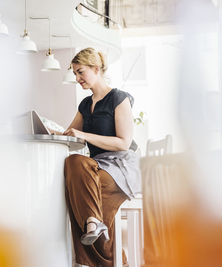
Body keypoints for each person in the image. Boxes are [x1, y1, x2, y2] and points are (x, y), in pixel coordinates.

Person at [62, 47, 141, 267]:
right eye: (75, 73)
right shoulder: (85, 105)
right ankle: (96, 226)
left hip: (121, 166)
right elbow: (72, 135)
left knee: (82, 198)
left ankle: (96, 232)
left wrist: (84, 134)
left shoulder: (118, 98)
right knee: (74, 163)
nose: (77, 78)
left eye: (80, 72)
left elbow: (124, 143)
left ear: (96, 69)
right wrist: (53, 134)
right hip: (97, 167)